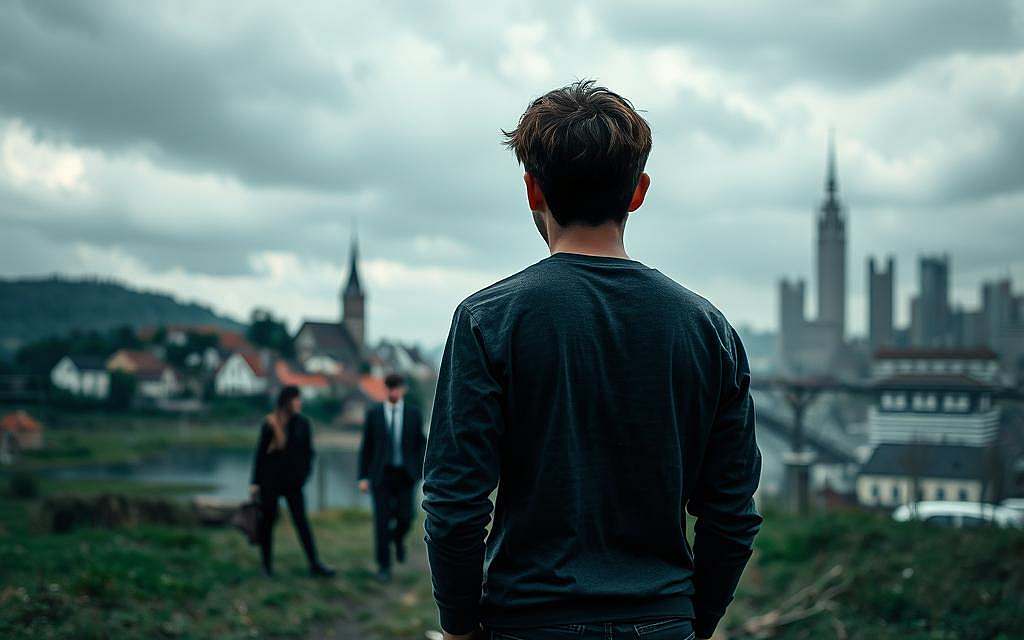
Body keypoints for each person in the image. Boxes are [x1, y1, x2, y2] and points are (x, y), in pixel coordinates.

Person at [422, 80, 763, 640]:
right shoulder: (710, 332)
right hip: (663, 621)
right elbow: (732, 513)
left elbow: (455, 503)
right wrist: (691, 622)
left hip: (526, 621)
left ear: (532, 190)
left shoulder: (488, 321)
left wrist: (459, 627)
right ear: (638, 192)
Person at [249, 385, 335, 578]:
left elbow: (309, 454)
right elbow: (260, 455)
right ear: (286, 401)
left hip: (293, 484)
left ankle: (315, 564)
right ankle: (266, 567)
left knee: (301, 523)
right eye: (296, 399)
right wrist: (254, 482)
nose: (299, 402)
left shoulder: (304, 424)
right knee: (267, 524)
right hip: (269, 481)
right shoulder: (271, 423)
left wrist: (303, 477)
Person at [357, 372, 427, 582]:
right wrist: (362, 477)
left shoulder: (414, 414)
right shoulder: (374, 414)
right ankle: (384, 567)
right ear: (385, 389)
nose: (393, 391)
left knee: (406, 518)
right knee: (381, 521)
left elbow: (420, 444)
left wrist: (419, 471)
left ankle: (397, 540)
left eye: (397, 387)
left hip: (406, 476)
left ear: (403, 389)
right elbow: (366, 447)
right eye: (390, 387)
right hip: (381, 476)